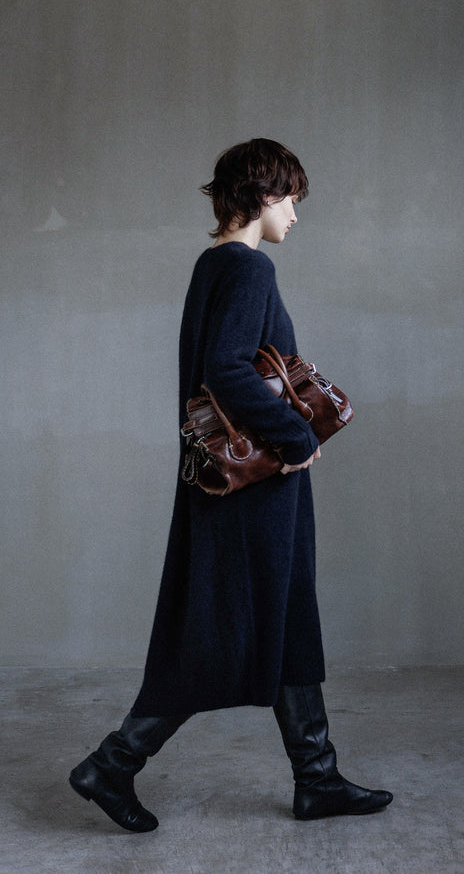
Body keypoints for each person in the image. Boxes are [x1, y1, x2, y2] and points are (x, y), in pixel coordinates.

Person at [68, 138, 393, 832]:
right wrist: (298, 439)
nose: (295, 216)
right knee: (217, 635)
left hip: (234, 483)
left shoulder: (212, 263)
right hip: (255, 489)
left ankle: (317, 778)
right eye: (291, 200)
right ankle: (113, 763)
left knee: (289, 620)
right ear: (262, 195)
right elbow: (227, 369)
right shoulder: (248, 268)